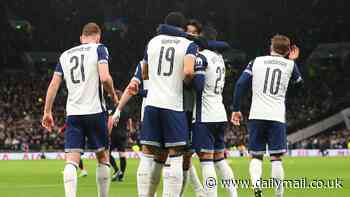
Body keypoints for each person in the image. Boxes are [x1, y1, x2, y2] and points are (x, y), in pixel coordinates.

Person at [116, 12, 197, 197]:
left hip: (152, 104)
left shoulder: (152, 42)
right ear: (182, 28)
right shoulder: (188, 44)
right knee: (175, 157)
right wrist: (183, 83)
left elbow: (144, 73)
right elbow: (189, 72)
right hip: (173, 105)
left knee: (147, 155)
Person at [42, 22, 119, 197]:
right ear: (98, 36)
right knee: (103, 158)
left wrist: (47, 111)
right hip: (95, 112)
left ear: (81, 37)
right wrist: (114, 96)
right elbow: (105, 78)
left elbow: (54, 84)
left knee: (71, 161)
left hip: (74, 114)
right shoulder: (99, 49)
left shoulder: (65, 55)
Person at [231, 34, 303, 197]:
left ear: (271, 47)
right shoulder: (290, 65)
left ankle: (257, 189)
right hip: (276, 115)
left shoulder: (256, 61)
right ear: (287, 51)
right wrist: (292, 62)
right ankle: (278, 194)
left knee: (256, 156)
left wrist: (236, 108)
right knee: (276, 158)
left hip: (257, 115)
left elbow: (240, 84)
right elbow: (299, 87)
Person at [192, 26, 238, 197]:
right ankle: (233, 195)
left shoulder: (201, 57)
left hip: (205, 114)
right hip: (220, 112)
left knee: (206, 161)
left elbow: (198, 85)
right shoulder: (219, 58)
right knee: (220, 159)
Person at [107, 93, 131, 182]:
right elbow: (129, 120)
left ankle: (116, 170)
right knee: (122, 154)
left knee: (107, 153)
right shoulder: (126, 108)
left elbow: (110, 121)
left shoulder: (114, 108)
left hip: (114, 134)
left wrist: (108, 133)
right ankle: (121, 175)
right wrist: (129, 130)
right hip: (123, 134)